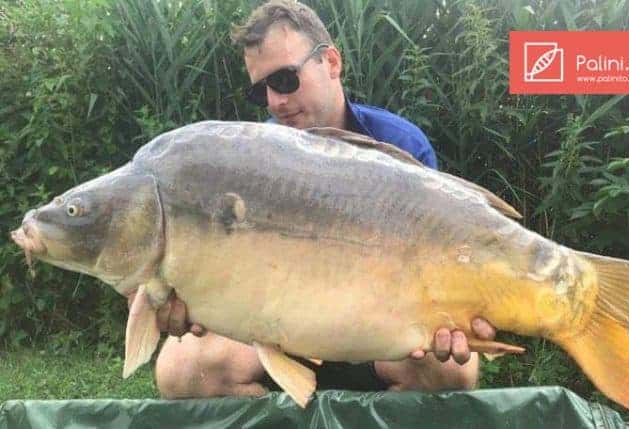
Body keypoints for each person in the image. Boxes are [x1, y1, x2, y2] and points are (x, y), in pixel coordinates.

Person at [147, 0, 497, 399]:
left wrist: (449, 316)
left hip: (378, 331)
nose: (275, 101)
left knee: (453, 372)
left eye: (284, 79)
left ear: (331, 62)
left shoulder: (401, 145)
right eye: (261, 90)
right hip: (279, 331)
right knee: (180, 370)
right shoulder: (251, 162)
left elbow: (439, 260)